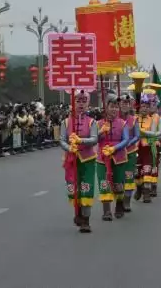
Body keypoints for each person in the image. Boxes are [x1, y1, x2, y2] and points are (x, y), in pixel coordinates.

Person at [59, 90, 98, 233]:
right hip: (71, 160)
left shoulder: (92, 122)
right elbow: (61, 140)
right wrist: (70, 147)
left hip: (87, 160)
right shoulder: (65, 122)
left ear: (88, 104)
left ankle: (86, 220)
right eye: (78, 101)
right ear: (73, 103)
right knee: (73, 188)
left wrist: (81, 141)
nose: (81, 104)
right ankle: (78, 213)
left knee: (86, 188)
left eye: (84, 101)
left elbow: (94, 139)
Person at [96, 94, 129, 221]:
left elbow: (126, 139)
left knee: (118, 185)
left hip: (119, 157)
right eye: (112, 106)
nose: (114, 109)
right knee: (104, 184)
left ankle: (119, 205)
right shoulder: (98, 123)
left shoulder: (123, 123)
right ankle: (107, 211)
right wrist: (100, 132)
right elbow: (94, 140)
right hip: (102, 158)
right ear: (106, 107)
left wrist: (115, 148)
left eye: (116, 106)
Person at [136, 92, 161, 202]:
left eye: (147, 106)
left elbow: (160, 132)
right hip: (135, 148)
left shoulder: (155, 118)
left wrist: (150, 135)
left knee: (149, 168)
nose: (145, 108)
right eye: (143, 106)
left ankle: (147, 192)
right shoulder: (134, 118)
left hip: (150, 147)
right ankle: (139, 188)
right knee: (136, 172)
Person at [119, 94, 138, 212]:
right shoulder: (115, 119)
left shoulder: (134, 119)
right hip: (117, 152)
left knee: (129, 176)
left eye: (127, 103)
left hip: (130, 152)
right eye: (122, 103)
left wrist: (128, 143)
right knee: (118, 178)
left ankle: (127, 201)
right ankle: (119, 201)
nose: (125, 105)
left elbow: (137, 136)